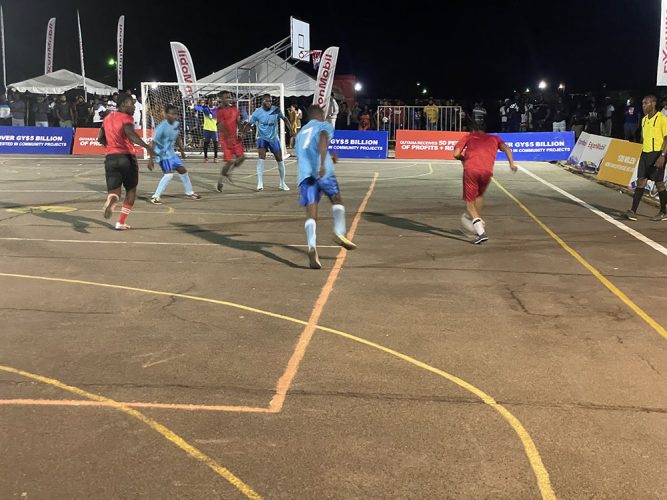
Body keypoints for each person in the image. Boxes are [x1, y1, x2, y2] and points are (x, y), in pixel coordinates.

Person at [296, 105, 357, 269]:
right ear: (320, 114)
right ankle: (339, 231)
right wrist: (323, 162)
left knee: (311, 213)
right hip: (323, 173)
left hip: (305, 175)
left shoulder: (300, 133)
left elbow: (307, 151)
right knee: (336, 199)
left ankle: (311, 247)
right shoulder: (324, 126)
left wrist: (328, 155)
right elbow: (323, 139)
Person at [452, 121, 517, 244]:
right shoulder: (495, 138)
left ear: (474, 130)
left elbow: (455, 154)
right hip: (487, 172)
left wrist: (463, 158)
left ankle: (480, 231)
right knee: (479, 196)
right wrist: (512, 164)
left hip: (471, 170)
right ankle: (477, 219)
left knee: (470, 203)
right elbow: (507, 148)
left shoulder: (469, 137)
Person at [97, 93, 155, 230]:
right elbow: (130, 133)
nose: (134, 107)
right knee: (131, 190)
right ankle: (120, 222)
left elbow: (100, 138)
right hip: (126, 158)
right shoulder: (126, 118)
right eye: (131, 104)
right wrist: (147, 147)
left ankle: (112, 200)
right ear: (123, 104)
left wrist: (111, 146)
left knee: (114, 192)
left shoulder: (107, 118)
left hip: (110, 158)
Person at [624, 95, 667, 221]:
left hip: (657, 154)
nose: (643, 106)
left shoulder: (662, 119)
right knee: (641, 181)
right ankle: (633, 211)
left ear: (653, 104)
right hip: (645, 154)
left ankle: (663, 212)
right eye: (642, 103)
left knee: (659, 184)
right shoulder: (644, 120)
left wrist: (663, 156)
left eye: (646, 103)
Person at [149, 104, 201, 204]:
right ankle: (155, 196)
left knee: (183, 171)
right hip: (163, 155)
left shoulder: (176, 124)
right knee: (168, 175)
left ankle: (189, 192)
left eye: (176, 114)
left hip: (172, 154)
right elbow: (153, 142)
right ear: (166, 114)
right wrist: (151, 159)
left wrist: (182, 150)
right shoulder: (161, 127)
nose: (174, 116)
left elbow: (177, 137)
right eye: (172, 114)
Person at [246, 94, 294, 191]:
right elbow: (250, 124)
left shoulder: (276, 110)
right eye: (267, 101)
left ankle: (282, 183)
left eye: (271, 101)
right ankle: (260, 183)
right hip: (262, 138)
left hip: (273, 138)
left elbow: (284, 118)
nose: (269, 103)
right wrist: (244, 131)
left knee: (280, 160)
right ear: (263, 101)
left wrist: (291, 130)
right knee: (261, 158)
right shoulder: (257, 112)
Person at [215, 91, 247, 192]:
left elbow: (238, 122)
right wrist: (228, 136)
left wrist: (242, 131)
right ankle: (220, 181)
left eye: (230, 97)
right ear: (221, 99)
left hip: (234, 137)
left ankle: (229, 172)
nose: (229, 99)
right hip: (225, 139)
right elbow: (219, 125)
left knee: (242, 157)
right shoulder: (219, 111)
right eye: (226, 97)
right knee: (229, 161)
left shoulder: (234, 109)